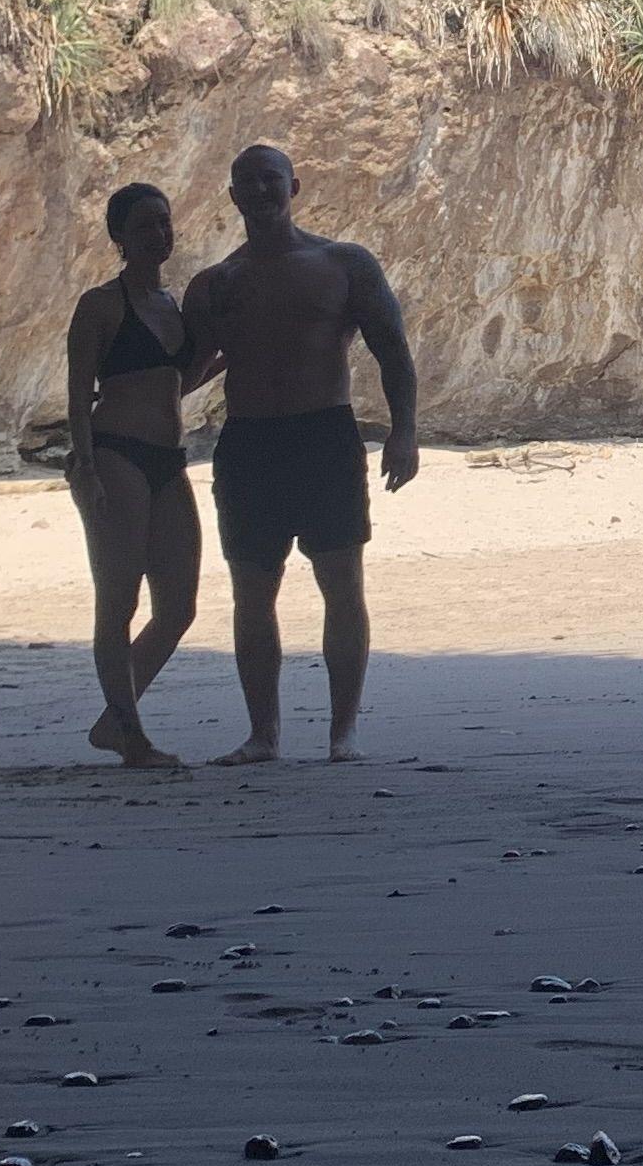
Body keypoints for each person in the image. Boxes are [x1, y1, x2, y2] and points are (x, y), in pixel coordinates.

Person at [179, 141, 420, 763]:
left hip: (325, 436)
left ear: (294, 187)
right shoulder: (216, 284)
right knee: (252, 593)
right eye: (246, 183)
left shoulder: (343, 264)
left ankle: (343, 733)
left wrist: (404, 431)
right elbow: (188, 370)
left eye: (270, 179)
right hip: (250, 444)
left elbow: (392, 348)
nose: (259, 191)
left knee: (341, 585)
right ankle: (264, 735)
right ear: (232, 196)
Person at [62, 181, 205, 765]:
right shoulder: (100, 305)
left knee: (178, 608)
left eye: (165, 222)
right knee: (117, 601)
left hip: (169, 459)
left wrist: (215, 365)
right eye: (145, 225)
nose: (159, 234)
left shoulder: (173, 307)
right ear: (118, 236)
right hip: (113, 454)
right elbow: (76, 396)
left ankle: (113, 719)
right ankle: (131, 734)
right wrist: (87, 469)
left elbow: (169, 383)